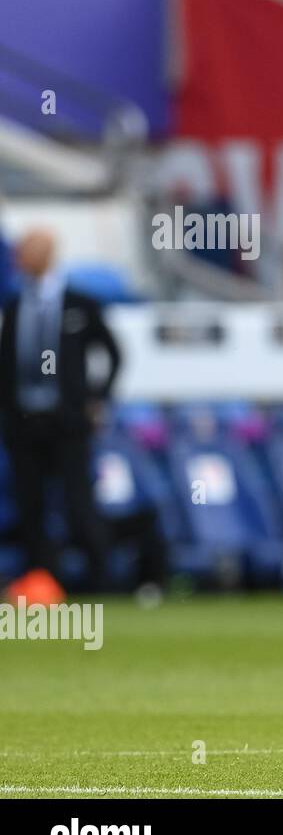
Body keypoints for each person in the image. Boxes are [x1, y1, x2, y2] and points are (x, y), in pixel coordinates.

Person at [0, 229, 121, 592]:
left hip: (67, 422)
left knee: (78, 502)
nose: (20, 258)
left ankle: (102, 580)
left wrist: (95, 398)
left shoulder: (79, 304)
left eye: (27, 251)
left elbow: (112, 353)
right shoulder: (15, 304)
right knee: (31, 505)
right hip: (24, 422)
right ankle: (43, 581)